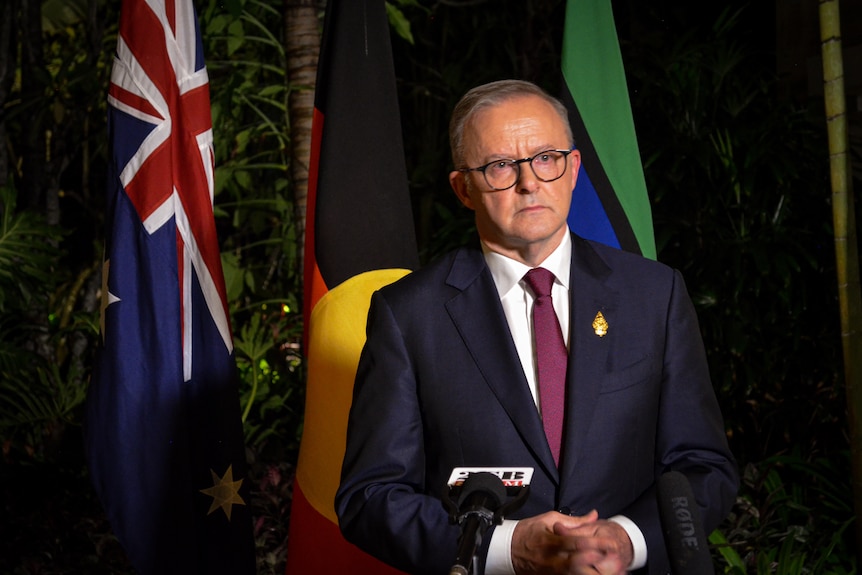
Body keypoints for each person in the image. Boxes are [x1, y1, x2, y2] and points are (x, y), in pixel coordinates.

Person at [335, 79, 738, 575]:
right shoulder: (409, 315)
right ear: (464, 188)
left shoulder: (655, 295)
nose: (529, 183)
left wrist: (627, 540)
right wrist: (505, 548)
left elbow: (703, 466)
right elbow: (369, 498)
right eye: (500, 165)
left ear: (573, 169)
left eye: (546, 157)